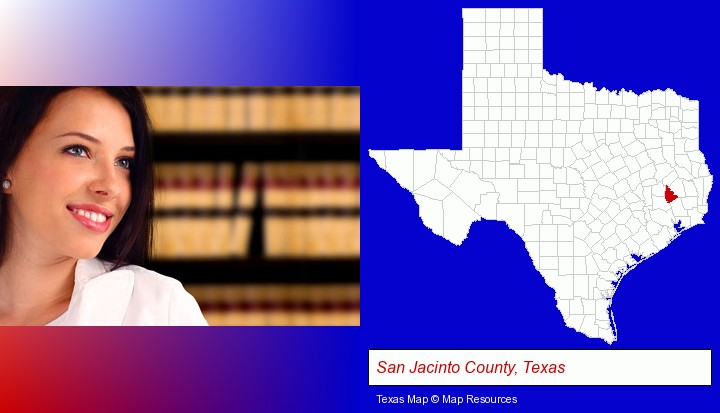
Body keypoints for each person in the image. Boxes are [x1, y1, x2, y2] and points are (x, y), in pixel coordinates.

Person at [0, 87, 207, 326]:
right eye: (78, 150)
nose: (111, 186)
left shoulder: (161, 311)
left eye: (124, 162)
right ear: (7, 163)